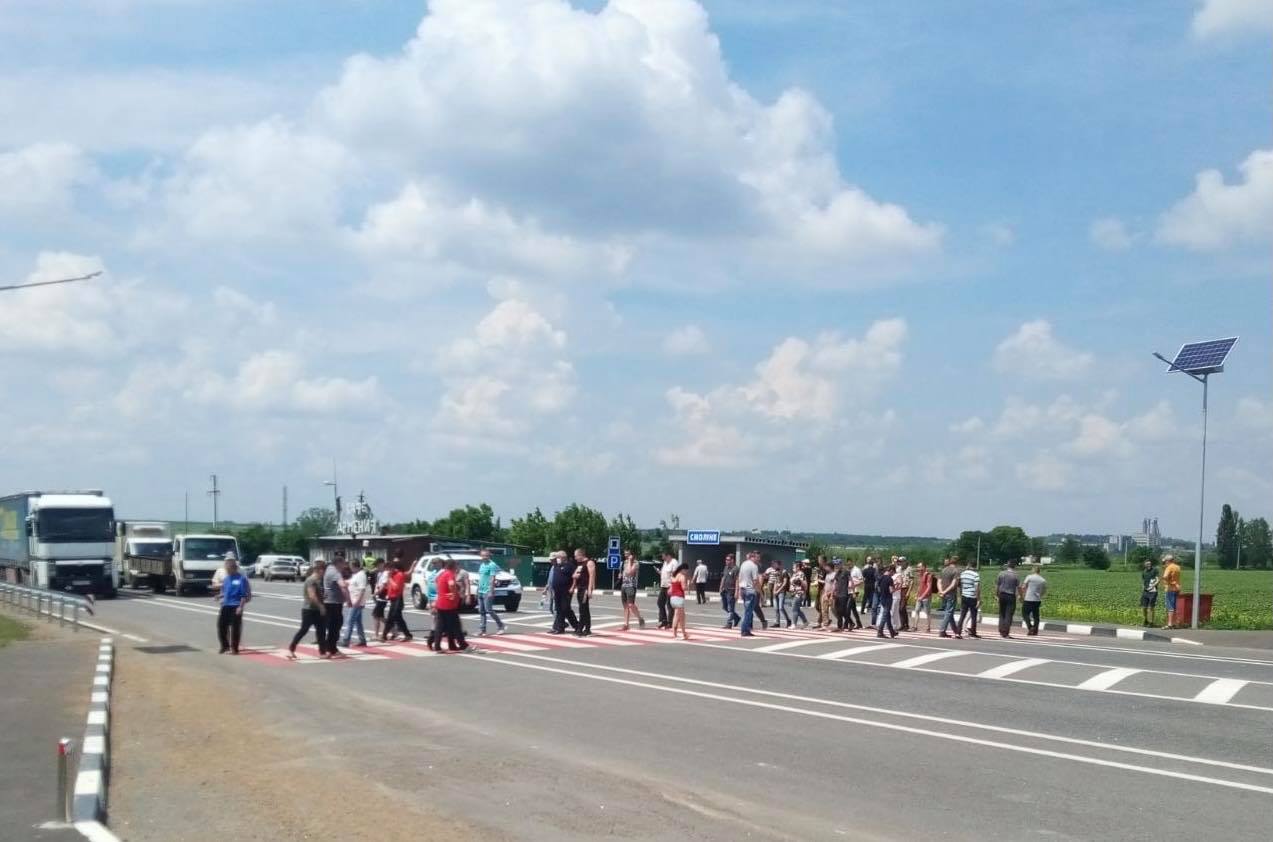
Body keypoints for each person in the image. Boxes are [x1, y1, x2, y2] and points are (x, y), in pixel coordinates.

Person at [288, 560, 326, 659]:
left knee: (321, 631)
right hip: (309, 610)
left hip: (316, 609)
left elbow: (317, 594)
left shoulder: (318, 581)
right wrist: (321, 606)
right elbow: (312, 595)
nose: (324, 573)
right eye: (323, 570)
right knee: (304, 630)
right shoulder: (311, 580)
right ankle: (291, 648)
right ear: (319, 570)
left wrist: (323, 597)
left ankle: (322, 652)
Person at [216, 556, 251, 654]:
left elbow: (243, 595)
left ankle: (235, 648)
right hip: (226, 605)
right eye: (226, 568)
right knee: (221, 626)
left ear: (233, 568)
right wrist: (219, 596)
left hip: (236, 605)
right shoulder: (227, 578)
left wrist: (240, 607)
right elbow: (226, 591)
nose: (226, 570)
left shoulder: (241, 579)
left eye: (228, 568)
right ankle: (225, 646)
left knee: (235, 628)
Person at [431, 559, 468, 652]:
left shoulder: (442, 574)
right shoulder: (449, 574)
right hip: (449, 604)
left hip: (441, 602)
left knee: (441, 626)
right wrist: (454, 593)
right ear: (453, 566)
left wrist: (444, 591)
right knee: (456, 625)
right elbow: (451, 584)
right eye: (456, 565)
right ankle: (462, 644)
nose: (457, 568)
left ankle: (438, 645)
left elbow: (436, 581)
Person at [319, 553, 348, 658]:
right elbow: (342, 586)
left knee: (332, 626)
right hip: (334, 603)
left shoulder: (329, 569)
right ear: (338, 563)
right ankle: (332, 648)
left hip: (329, 602)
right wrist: (348, 599)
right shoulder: (336, 572)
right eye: (343, 563)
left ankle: (330, 647)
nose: (344, 566)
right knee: (335, 626)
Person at [338, 557, 369, 648]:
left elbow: (362, 589)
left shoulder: (361, 575)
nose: (350, 569)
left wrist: (357, 602)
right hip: (354, 601)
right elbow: (350, 582)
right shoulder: (356, 575)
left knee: (350, 620)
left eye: (350, 566)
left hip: (356, 602)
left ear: (354, 566)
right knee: (358, 622)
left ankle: (346, 640)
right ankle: (362, 639)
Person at [476, 549, 506, 636]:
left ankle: (501, 626)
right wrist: (478, 589)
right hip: (480, 590)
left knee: (489, 610)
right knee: (481, 611)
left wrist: (491, 591)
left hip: (487, 590)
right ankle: (482, 630)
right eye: (483, 555)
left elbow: (492, 579)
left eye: (486, 555)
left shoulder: (492, 565)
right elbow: (481, 578)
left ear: (489, 556)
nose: (484, 557)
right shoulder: (482, 565)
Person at [550, 550, 580, 635]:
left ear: (563, 557)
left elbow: (575, 577)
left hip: (566, 591)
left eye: (558, 557)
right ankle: (559, 627)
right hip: (557, 591)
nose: (557, 559)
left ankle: (576, 626)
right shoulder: (557, 565)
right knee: (558, 609)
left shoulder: (570, 566)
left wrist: (573, 587)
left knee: (565, 608)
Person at [382, 559, 412, 642]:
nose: (387, 572)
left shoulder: (399, 575)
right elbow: (390, 587)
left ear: (392, 568)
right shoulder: (392, 575)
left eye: (388, 569)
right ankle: (407, 634)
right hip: (392, 598)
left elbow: (396, 587)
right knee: (395, 617)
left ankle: (384, 635)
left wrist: (390, 578)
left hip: (398, 598)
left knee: (393, 616)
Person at [619, 551, 646, 631]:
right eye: (625, 554)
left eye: (628, 554)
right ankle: (626, 624)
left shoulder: (636, 563)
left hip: (631, 585)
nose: (626, 555)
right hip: (624, 585)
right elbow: (624, 572)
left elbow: (630, 572)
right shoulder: (624, 563)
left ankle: (640, 618)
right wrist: (621, 574)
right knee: (625, 606)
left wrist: (630, 562)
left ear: (632, 555)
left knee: (630, 604)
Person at [737, 551, 761, 637]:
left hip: (743, 588)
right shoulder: (754, 566)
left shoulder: (744, 563)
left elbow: (739, 577)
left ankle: (746, 629)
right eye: (758, 557)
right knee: (748, 612)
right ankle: (744, 630)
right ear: (753, 557)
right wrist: (758, 591)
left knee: (747, 611)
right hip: (750, 590)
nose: (759, 559)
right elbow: (755, 580)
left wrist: (739, 590)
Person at [937, 557, 963, 639]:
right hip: (950, 593)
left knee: (949, 613)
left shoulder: (944, 570)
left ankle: (956, 631)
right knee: (949, 612)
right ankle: (942, 630)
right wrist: (945, 592)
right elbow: (953, 584)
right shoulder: (956, 571)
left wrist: (941, 591)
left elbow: (939, 582)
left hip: (943, 593)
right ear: (957, 563)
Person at [573, 548, 596, 637]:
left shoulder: (589, 563)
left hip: (585, 588)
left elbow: (592, 576)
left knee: (582, 609)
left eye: (576, 556)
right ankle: (587, 628)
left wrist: (589, 589)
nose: (575, 558)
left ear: (581, 555)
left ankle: (580, 629)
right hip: (580, 588)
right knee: (584, 608)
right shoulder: (580, 564)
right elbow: (575, 575)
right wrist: (575, 576)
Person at [957, 558, 982, 639]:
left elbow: (960, 586)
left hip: (964, 596)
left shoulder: (963, 574)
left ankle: (958, 632)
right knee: (973, 615)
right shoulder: (976, 575)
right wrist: (978, 599)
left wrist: (960, 596)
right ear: (975, 566)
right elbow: (977, 587)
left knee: (962, 615)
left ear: (969, 565)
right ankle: (973, 632)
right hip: (972, 597)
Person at [996, 560, 1020, 638]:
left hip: (1002, 595)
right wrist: (1021, 596)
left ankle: (1001, 630)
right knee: (1008, 614)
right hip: (1011, 595)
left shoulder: (1001, 573)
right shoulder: (1016, 575)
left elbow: (997, 585)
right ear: (1014, 566)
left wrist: (997, 595)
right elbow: (1018, 587)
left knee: (1002, 613)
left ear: (1007, 566)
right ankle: (1005, 632)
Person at [1020, 564, 1047, 636]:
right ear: (1039, 571)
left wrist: (1021, 595)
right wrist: (1040, 596)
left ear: (1033, 570)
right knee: (1036, 616)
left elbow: (1023, 587)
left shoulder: (1029, 577)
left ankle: (1030, 627)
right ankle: (1035, 631)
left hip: (1028, 598)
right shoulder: (1043, 580)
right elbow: (1044, 591)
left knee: (1025, 614)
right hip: (1037, 600)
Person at [669, 562, 691, 639]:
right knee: (682, 617)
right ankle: (684, 634)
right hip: (679, 598)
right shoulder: (682, 577)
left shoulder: (674, 576)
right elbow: (683, 587)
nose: (686, 572)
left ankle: (674, 633)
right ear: (683, 569)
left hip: (672, 598)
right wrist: (688, 586)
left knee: (676, 616)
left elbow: (670, 590)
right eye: (686, 571)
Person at [875, 563, 897, 638]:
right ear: (891, 570)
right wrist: (896, 587)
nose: (893, 574)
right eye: (893, 572)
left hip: (882, 598)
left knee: (887, 615)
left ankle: (892, 631)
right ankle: (880, 631)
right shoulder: (889, 579)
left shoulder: (881, 577)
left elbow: (877, 588)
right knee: (885, 615)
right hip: (888, 598)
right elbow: (891, 591)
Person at [719, 554, 741, 628]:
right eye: (726, 560)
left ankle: (729, 623)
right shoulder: (726, 568)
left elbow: (737, 580)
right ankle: (736, 617)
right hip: (725, 590)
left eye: (728, 560)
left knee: (730, 608)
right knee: (724, 607)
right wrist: (721, 587)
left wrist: (737, 592)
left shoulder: (736, 569)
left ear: (732, 560)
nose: (726, 561)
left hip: (731, 590)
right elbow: (723, 577)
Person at [1160, 554, 1182, 629]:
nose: (1165, 563)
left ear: (1167, 561)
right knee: (1174, 606)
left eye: (1165, 561)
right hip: (1177, 588)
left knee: (1170, 607)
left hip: (1170, 588)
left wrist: (1164, 579)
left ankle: (1170, 624)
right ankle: (1175, 623)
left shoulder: (1169, 568)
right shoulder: (1177, 567)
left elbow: (1165, 576)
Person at [371, 557, 390, 641]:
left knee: (375, 615)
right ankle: (393, 629)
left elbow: (384, 585)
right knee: (381, 616)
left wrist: (376, 593)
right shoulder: (379, 573)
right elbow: (377, 584)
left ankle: (376, 634)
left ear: (382, 564)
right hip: (379, 597)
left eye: (378, 565)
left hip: (383, 597)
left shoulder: (386, 573)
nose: (377, 567)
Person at [912, 562, 934, 634]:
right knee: (917, 610)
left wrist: (922, 596)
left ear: (924, 567)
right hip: (920, 596)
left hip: (926, 597)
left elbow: (929, 587)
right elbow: (920, 586)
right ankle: (915, 626)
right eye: (918, 567)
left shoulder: (928, 575)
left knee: (927, 612)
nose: (919, 569)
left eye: (920, 567)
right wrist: (917, 594)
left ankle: (928, 627)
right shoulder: (920, 575)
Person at [657, 552, 677, 629]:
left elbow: (675, 575)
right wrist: (659, 572)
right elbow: (663, 572)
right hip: (663, 585)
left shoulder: (674, 562)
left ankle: (670, 622)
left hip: (670, 586)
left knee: (669, 605)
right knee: (660, 602)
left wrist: (672, 586)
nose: (662, 556)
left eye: (663, 555)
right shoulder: (665, 563)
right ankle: (663, 620)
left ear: (668, 555)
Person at [832, 560, 852, 632]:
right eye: (835, 565)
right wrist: (833, 592)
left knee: (842, 611)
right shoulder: (837, 573)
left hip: (844, 594)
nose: (836, 566)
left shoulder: (846, 572)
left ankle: (840, 626)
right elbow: (835, 583)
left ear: (841, 564)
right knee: (838, 611)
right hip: (838, 594)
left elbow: (851, 581)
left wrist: (852, 592)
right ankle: (851, 623)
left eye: (837, 565)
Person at [788, 563, 809, 628]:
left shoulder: (801, 574)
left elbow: (805, 584)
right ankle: (805, 622)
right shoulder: (794, 574)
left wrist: (804, 593)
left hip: (799, 593)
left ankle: (794, 624)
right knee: (797, 609)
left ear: (798, 567)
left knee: (794, 609)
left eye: (794, 567)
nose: (793, 568)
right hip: (794, 593)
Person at [1140, 559, 1160, 627]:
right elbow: (1143, 581)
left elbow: (1158, 580)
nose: (1149, 565)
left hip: (1153, 591)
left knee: (1151, 607)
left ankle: (1151, 622)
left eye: (1150, 564)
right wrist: (1143, 587)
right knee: (1144, 607)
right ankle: (1145, 620)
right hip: (1145, 591)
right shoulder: (1144, 571)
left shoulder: (1155, 570)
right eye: (1147, 564)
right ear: (1144, 565)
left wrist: (1152, 586)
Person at [896, 558, 913, 632]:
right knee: (900, 608)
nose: (900, 563)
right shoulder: (899, 569)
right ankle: (903, 624)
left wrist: (909, 592)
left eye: (902, 562)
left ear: (905, 562)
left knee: (902, 607)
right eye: (899, 562)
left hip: (906, 588)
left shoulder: (909, 569)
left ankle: (906, 624)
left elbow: (912, 581)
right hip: (899, 588)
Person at [773, 561, 792, 628]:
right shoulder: (775, 572)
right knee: (776, 608)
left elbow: (784, 583)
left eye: (776, 565)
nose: (775, 566)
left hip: (781, 592)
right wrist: (774, 591)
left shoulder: (784, 572)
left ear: (780, 565)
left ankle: (788, 620)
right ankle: (777, 622)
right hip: (776, 592)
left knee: (781, 608)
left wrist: (778, 591)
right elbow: (776, 582)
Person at [862, 558, 878, 623]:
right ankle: (870, 608)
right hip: (872, 585)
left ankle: (862, 610)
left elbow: (863, 576)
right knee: (872, 597)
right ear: (873, 564)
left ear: (868, 564)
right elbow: (876, 577)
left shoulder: (865, 570)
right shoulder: (875, 570)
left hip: (866, 584)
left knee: (865, 597)